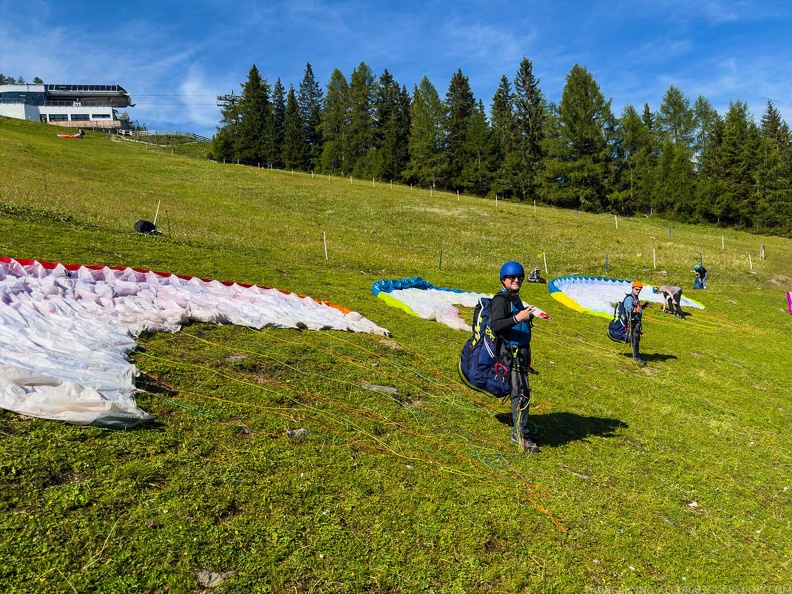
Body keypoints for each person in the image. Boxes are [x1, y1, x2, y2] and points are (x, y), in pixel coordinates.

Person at [490, 261, 540, 453]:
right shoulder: (501, 299)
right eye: (512, 278)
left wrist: (530, 315)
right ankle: (520, 435)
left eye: (519, 277)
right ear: (504, 280)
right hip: (511, 354)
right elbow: (496, 325)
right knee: (519, 394)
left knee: (524, 392)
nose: (517, 280)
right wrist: (518, 318)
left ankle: (522, 430)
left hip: (522, 352)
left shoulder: (514, 298)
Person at [623, 281, 649, 366]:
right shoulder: (629, 298)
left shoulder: (636, 298)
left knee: (636, 339)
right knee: (635, 339)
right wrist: (635, 310)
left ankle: (636, 355)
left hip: (636, 322)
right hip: (632, 323)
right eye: (637, 289)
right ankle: (636, 358)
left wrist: (644, 306)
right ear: (632, 288)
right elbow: (628, 309)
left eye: (639, 290)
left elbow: (638, 308)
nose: (638, 291)